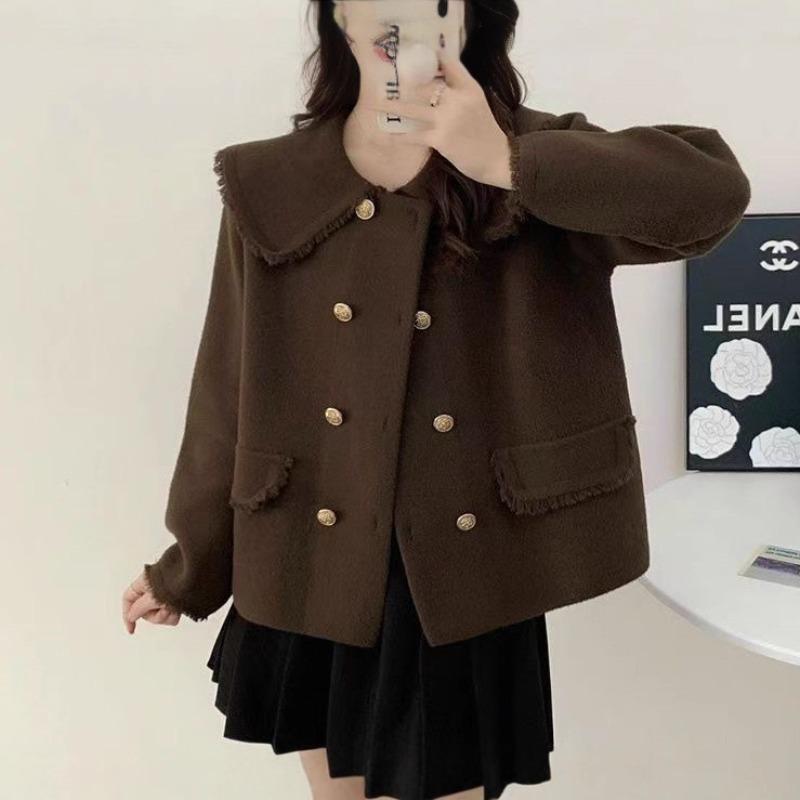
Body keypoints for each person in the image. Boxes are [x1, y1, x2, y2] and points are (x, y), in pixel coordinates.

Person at [121, 2, 751, 799]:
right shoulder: (269, 180)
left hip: (462, 574)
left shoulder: (532, 157)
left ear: (468, 20)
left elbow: (711, 195)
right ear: (340, 16)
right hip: (312, 561)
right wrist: (191, 568)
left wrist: (504, 160)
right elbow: (228, 387)